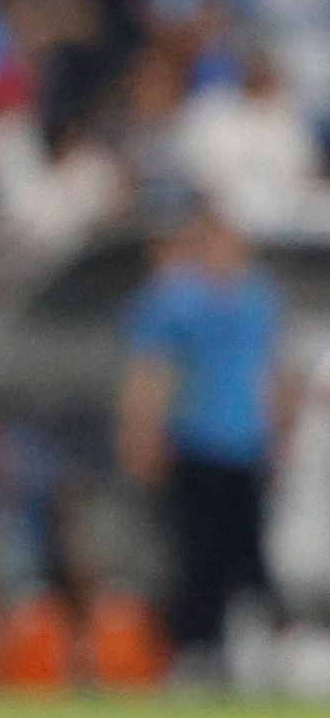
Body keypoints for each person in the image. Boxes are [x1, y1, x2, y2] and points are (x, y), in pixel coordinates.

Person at [115, 202, 285, 663]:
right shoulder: (175, 299)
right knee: (196, 554)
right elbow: (149, 372)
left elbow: (269, 373)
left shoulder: (258, 297)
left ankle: (244, 649)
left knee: (246, 553)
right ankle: (193, 648)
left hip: (244, 443)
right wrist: (139, 435)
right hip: (195, 443)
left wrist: (277, 438)